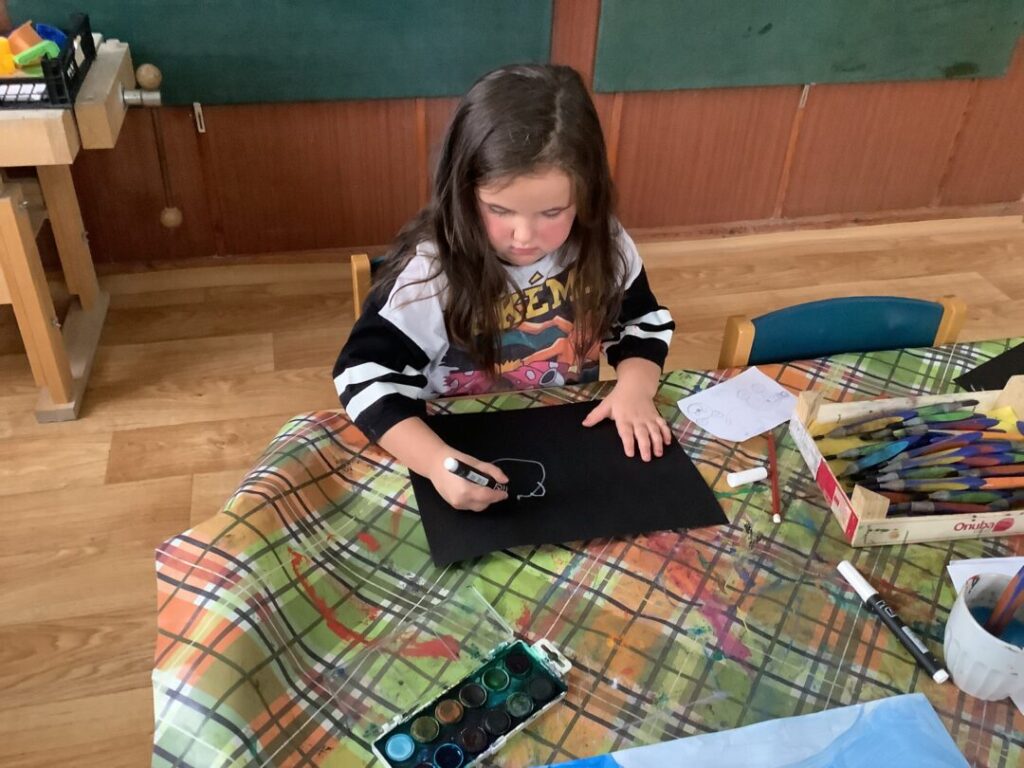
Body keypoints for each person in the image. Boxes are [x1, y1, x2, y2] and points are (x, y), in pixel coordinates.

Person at [333, 63, 675, 512]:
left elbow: (641, 322)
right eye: (499, 210)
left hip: (560, 430)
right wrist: (435, 462)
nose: (524, 236)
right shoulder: (430, 273)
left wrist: (635, 387)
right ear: (463, 191)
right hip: (451, 445)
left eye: (552, 212)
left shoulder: (604, 244)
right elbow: (364, 377)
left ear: (586, 194)